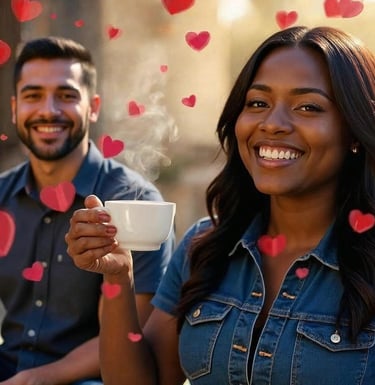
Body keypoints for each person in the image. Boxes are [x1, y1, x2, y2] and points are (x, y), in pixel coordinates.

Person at [65, 25, 375, 385]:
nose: (272, 124)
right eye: (257, 103)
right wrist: (118, 277)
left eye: (308, 106)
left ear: (355, 129)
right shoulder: (205, 247)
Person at [0, 36, 173, 384]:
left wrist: (35, 379)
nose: (48, 110)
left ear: (93, 107)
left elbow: (135, 337)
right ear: (16, 107)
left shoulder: (136, 203)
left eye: (66, 96)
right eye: (34, 96)